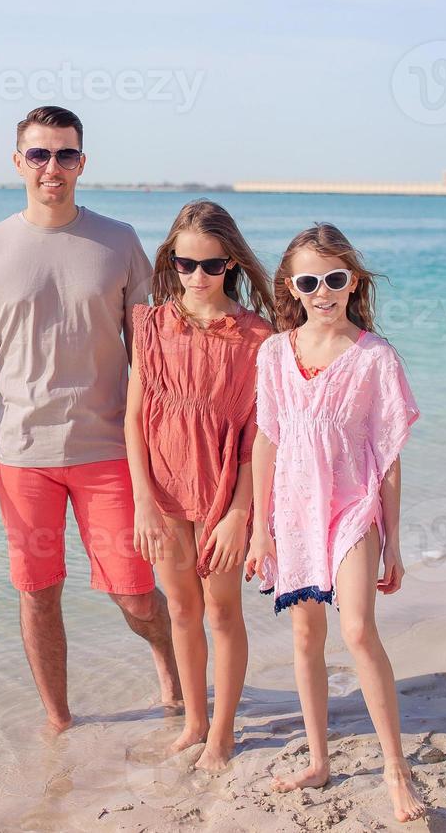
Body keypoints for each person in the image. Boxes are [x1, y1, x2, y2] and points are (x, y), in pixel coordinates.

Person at [0, 105, 179, 733]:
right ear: (18, 162)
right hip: (21, 453)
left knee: (132, 590)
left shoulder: (119, 241)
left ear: (82, 162)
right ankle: (59, 720)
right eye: (39, 155)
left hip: (109, 450)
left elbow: (149, 350)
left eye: (65, 154)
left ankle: (174, 675)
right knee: (38, 591)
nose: (52, 167)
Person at [244, 223, 428, 823]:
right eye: (308, 281)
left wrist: (394, 541)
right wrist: (259, 529)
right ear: (292, 288)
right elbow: (265, 442)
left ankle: (396, 768)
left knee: (356, 632)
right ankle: (319, 760)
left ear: (353, 280)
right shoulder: (274, 352)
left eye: (335, 278)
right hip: (293, 511)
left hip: (354, 509)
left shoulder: (376, 357)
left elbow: (389, 457)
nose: (323, 291)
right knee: (304, 638)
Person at [126, 200, 275, 771]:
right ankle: (194, 721)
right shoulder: (150, 325)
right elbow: (134, 419)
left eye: (211, 265)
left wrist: (241, 513)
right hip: (162, 492)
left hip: (220, 494)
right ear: (172, 261)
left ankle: (224, 732)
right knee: (182, 609)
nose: (197, 277)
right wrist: (142, 499)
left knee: (222, 612)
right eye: (185, 264)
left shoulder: (258, 338)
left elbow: (254, 439)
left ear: (231, 264)